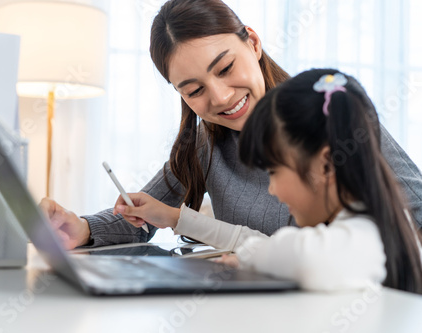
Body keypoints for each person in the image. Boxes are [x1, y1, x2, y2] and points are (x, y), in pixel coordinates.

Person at [40, 0, 422, 251]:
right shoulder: (206, 144)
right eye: (193, 90)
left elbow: (415, 214)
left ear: (252, 43)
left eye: (225, 68)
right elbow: (143, 215)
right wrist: (83, 228)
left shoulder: (321, 114)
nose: (221, 98)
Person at [116, 69, 422, 293]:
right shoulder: (355, 222)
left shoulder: (368, 233)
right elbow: (257, 242)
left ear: (327, 164)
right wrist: (174, 218)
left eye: (273, 171)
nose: (272, 189)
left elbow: (305, 258)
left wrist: (250, 260)